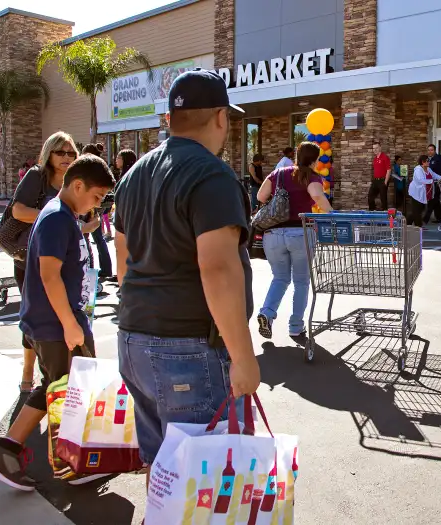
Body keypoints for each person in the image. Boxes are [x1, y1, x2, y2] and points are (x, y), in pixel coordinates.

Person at [113, 70, 260, 491]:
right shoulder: (211, 175)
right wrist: (243, 356)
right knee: (209, 481)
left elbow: (123, 263)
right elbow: (218, 268)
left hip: (134, 339)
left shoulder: (134, 174)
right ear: (219, 117)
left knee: (164, 467)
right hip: (189, 348)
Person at [0, 154, 116, 490]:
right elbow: (49, 276)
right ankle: (70, 464)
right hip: (56, 325)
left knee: (57, 386)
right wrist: (69, 324)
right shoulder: (56, 218)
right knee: (68, 390)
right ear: (77, 185)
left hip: (59, 322)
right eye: (96, 196)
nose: (97, 204)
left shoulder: (63, 215)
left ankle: (7, 451)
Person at [10, 132, 80, 393]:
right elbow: (18, 210)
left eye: (71, 153)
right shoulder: (36, 177)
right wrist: (52, 215)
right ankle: (29, 371)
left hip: (65, 256)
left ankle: (57, 383)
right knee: (36, 320)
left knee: (63, 316)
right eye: (60, 152)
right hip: (30, 256)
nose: (66, 157)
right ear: (49, 153)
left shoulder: (76, 180)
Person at [256, 142, 333, 338]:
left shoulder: (279, 173)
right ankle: (295, 326)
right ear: (314, 159)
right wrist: (334, 215)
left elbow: (260, 196)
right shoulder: (310, 176)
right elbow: (317, 195)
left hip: (272, 235)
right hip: (299, 233)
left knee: (280, 278)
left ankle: (267, 313)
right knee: (301, 281)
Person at [80, 144, 111, 280]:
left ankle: (91, 274)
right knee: (97, 239)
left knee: (88, 239)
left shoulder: (89, 169)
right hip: (95, 209)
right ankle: (104, 269)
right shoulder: (102, 167)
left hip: (90, 209)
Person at [408, 154, 441, 228]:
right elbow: (421, 180)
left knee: (419, 210)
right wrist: (432, 181)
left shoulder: (428, 169)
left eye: (429, 161)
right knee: (417, 210)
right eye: (427, 161)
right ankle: (418, 227)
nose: (429, 162)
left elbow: (435, 175)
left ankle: (408, 223)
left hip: (424, 194)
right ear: (422, 162)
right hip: (416, 193)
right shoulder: (418, 170)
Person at [423, 144, 441, 224]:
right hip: (432, 183)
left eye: (431, 150)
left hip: (437, 183)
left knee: (432, 200)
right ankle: (440, 217)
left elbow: (433, 172)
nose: (430, 151)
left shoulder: (437, 159)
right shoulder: (430, 159)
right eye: (428, 150)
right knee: (435, 201)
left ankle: (426, 218)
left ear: (435, 150)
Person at [368, 141, 391, 211]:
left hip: (382, 180)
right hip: (375, 180)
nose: (375, 150)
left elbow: (389, 170)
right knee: (370, 197)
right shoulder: (375, 159)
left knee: (383, 199)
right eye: (373, 148)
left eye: (376, 148)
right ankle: (372, 212)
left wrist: (385, 182)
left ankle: (385, 215)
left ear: (380, 148)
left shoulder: (385, 157)